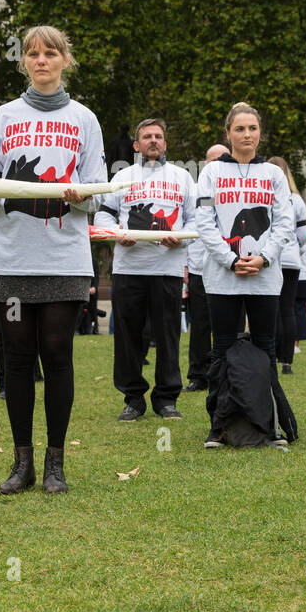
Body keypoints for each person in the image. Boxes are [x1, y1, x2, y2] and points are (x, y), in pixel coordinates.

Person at [0, 25, 104, 493]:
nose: (41, 60)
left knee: (58, 355)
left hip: (64, 257)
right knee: (17, 359)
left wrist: (80, 195)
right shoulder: (2, 118)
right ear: (24, 61)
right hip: (10, 258)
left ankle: (56, 464)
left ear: (65, 60)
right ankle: (21, 463)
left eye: (50, 53)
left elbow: (98, 196)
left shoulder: (85, 120)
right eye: (33, 53)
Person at [195, 102, 294, 448]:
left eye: (252, 128)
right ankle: (219, 427)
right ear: (228, 134)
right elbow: (204, 222)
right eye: (240, 129)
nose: (247, 135)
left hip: (265, 278)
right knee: (222, 349)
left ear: (260, 133)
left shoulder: (273, 175)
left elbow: (284, 222)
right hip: (223, 277)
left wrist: (264, 258)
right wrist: (229, 259)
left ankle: (269, 427)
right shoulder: (210, 174)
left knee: (266, 348)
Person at [96, 117, 197, 421]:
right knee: (128, 336)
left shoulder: (183, 177)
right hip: (129, 268)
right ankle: (133, 398)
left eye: (158, 136)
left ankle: (166, 399)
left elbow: (195, 221)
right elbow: (103, 216)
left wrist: (178, 240)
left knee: (168, 335)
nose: (153, 141)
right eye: (147, 137)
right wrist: (117, 235)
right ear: (137, 145)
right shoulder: (123, 177)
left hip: (167, 269)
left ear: (165, 143)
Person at [183, 144, 228, 392]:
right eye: (210, 159)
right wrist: (185, 266)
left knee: (225, 322)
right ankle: (198, 374)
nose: (215, 163)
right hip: (200, 267)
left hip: (227, 266)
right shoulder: (196, 190)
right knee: (199, 324)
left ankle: (224, 371)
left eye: (220, 158)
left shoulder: (232, 188)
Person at [269, 156, 306, 375]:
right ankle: (287, 361)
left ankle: (271, 355)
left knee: (271, 308)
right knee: (288, 310)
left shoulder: (265, 196)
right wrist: (299, 251)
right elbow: (303, 234)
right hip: (292, 260)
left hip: (270, 259)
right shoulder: (297, 200)